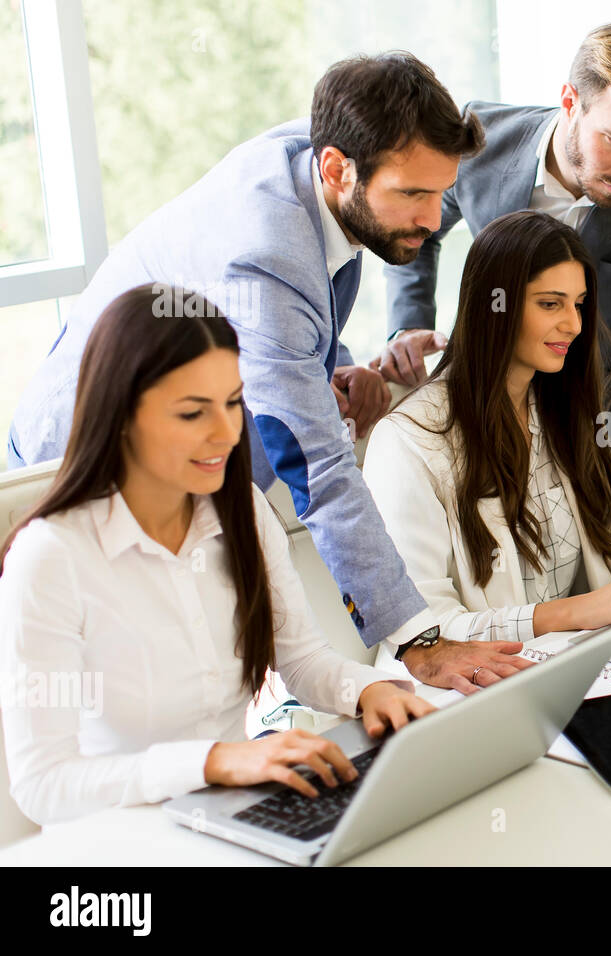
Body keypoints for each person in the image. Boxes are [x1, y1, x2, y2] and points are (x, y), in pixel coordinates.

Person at [7, 53, 527, 689]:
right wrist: (418, 643)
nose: (433, 219)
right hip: (91, 461)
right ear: (337, 168)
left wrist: (333, 364)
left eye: (441, 192)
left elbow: (280, 322)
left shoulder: (319, 155)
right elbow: (320, 467)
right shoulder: (264, 255)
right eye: (413, 194)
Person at [0, 287, 434, 825]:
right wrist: (216, 761)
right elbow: (45, 785)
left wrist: (370, 689)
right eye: (192, 413)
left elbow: (300, 660)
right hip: (118, 844)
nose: (227, 433)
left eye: (233, 402)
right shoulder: (50, 557)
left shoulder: (241, 507)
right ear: (120, 417)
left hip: (230, 818)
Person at [380, 22, 611, 562]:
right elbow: (416, 223)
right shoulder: (481, 141)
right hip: (492, 425)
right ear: (570, 101)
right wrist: (408, 320)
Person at [363, 211, 611, 675]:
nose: (574, 324)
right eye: (550, 304)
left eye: (579, 304)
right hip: (469, 692)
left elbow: (560, 575)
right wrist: (575, 613)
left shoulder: (559, 411)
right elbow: (426, 631)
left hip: (574, 664)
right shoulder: (408, 441)